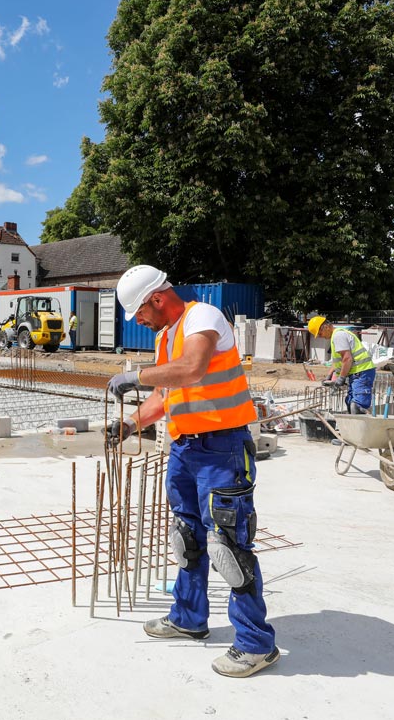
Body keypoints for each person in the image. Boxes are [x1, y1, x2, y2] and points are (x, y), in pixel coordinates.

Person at [105, 265, 278, 678]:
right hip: (184, 448)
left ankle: (256, 645)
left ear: (157, 299)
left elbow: (194, 368)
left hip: (222, 449)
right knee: (187, 540)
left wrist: (135, 376)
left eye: (140, 314)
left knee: (229, 548)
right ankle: (188, 617)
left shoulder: (202, 317)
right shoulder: (167, 337)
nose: (141, 322)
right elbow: (166, 396)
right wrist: (129, 424)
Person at [307, 316, 376, 414]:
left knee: (357, 406)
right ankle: (353, 427)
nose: (320, 336)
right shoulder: (336, 335)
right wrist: (329, 376)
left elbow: (347, 359)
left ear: (325, 327)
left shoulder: (338, 336)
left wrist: (341, 378)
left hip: (362, 372)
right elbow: (338, 362)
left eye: (320, 333)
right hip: (358, 373)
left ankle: (361, 428)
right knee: (349, 403)